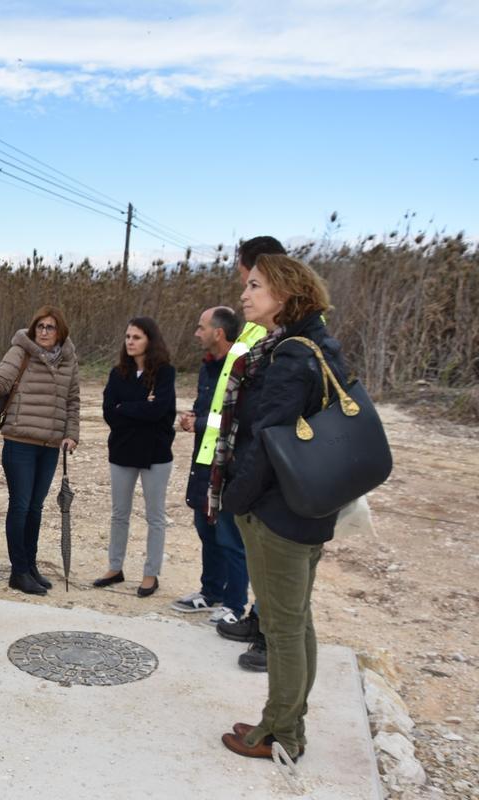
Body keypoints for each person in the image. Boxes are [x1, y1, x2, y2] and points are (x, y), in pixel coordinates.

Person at [212, 253, 346, 762]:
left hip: (278, 513)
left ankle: (282, 735)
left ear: (285, 295)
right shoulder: (316, 344)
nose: (244, 296)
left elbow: (267, 439)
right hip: (308, 507)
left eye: (254, 286)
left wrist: (239, 502)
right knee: (297, 622)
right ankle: (288, 722)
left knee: (283, 629)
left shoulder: (291, 355)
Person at [0, 306, 81, 595]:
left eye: (50, 327)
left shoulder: (68, 359)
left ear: (60, 331)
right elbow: (1, 381)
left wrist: (71, 435)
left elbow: (73, 400)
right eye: (39, 326)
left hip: (50, 445)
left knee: (36, 508)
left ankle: (30, 566)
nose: (43, 332)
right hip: (20, 443)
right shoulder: (21, 351)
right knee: (21, 505)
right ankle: (19, 571)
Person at [213, 236, 289, 673]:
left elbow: (269, 416)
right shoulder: (259, 329)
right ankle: (257, 619)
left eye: (250, 280)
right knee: (257, 552)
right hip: (240, 456)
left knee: (272, 558)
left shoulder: (285, 339)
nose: (243, 289)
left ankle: (267, 637)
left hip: (264, 468)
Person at [173, 307, 248, 625]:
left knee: (230, 535)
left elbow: (239, 416)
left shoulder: (243, 365)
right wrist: (193, 416)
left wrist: (200, 422)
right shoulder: (208, 367)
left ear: (218, 332)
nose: (196, 333)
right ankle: (211, 592)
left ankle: (235, 604)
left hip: (230, 461)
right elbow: (209, 407)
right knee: (206, 528)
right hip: (204, 459)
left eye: (201, 327)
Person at [94, 316, 176, 597]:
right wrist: (140, 406)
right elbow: (108, 412)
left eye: (137, 337)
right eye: (128, 337)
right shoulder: (118, 374)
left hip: (155, 454)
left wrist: (124, 407)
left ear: (149, 341)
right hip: (122, 451)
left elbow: (159, 412)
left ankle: (150, 574)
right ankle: (115, 568)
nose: (130, 342)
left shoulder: (165, 373)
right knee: (119, 514)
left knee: (155, 516)